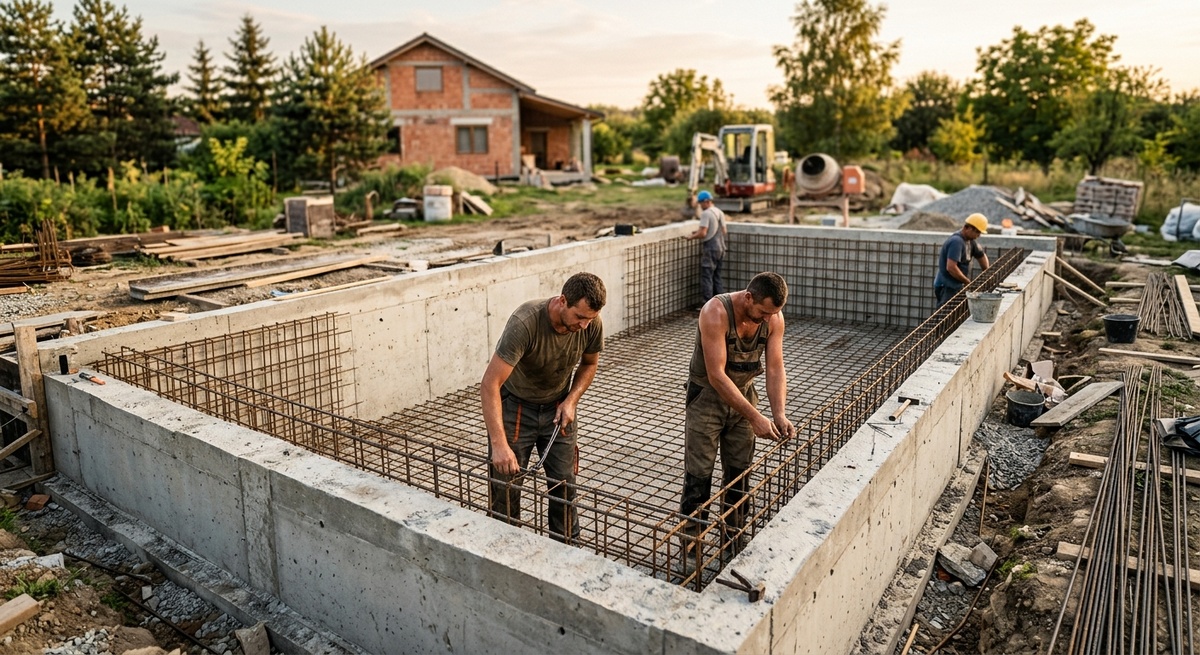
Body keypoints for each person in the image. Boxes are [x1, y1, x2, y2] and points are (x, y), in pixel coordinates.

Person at [481, 272, 606, 544]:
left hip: (558, 408)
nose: (584, 325)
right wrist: (499, 444)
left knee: (564, 485)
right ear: (563, 301)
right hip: (517, 409)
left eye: (590, 319)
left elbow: (589, 364)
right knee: (506, 486)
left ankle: (566, 549)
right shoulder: (525, 323)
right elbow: (490, 384)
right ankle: (506, 546)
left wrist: (572, 399)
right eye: (579, 317)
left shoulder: (591, 324)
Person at [678, 272, 795, 560]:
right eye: (763, 312)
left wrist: (778, 413)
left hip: (744, 396)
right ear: (748, 298)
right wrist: (755, 417)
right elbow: (717, 375)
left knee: (739, 475)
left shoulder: (773, 320)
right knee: (698, 477)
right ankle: (691, 548)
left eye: (774, 313)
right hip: (706, 399)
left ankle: (733, 541)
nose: (767, 319)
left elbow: (775, 368)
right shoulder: (715, 313)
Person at [933, 213, 991, 307]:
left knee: (953, 314)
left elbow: (981, 255)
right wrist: (967, 282)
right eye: (977, 232)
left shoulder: (970, 241)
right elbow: (951, 267)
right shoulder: (956, 242)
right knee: (945, 314)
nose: (979, 235)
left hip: (956, 285)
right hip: (947, 286)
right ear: (968, 228)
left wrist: (987, 273)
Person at [688, 190, 728, 303]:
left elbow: (703, 233)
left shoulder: (706, 214)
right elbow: (724, 231)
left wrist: (691, 237)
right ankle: (722, 304)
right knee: (717, 277)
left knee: (707, 276)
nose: (700, 206)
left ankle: (707, 305)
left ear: (706, 202)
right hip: (721, 248)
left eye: (701, 203)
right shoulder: (719, 212)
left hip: (711, 249)